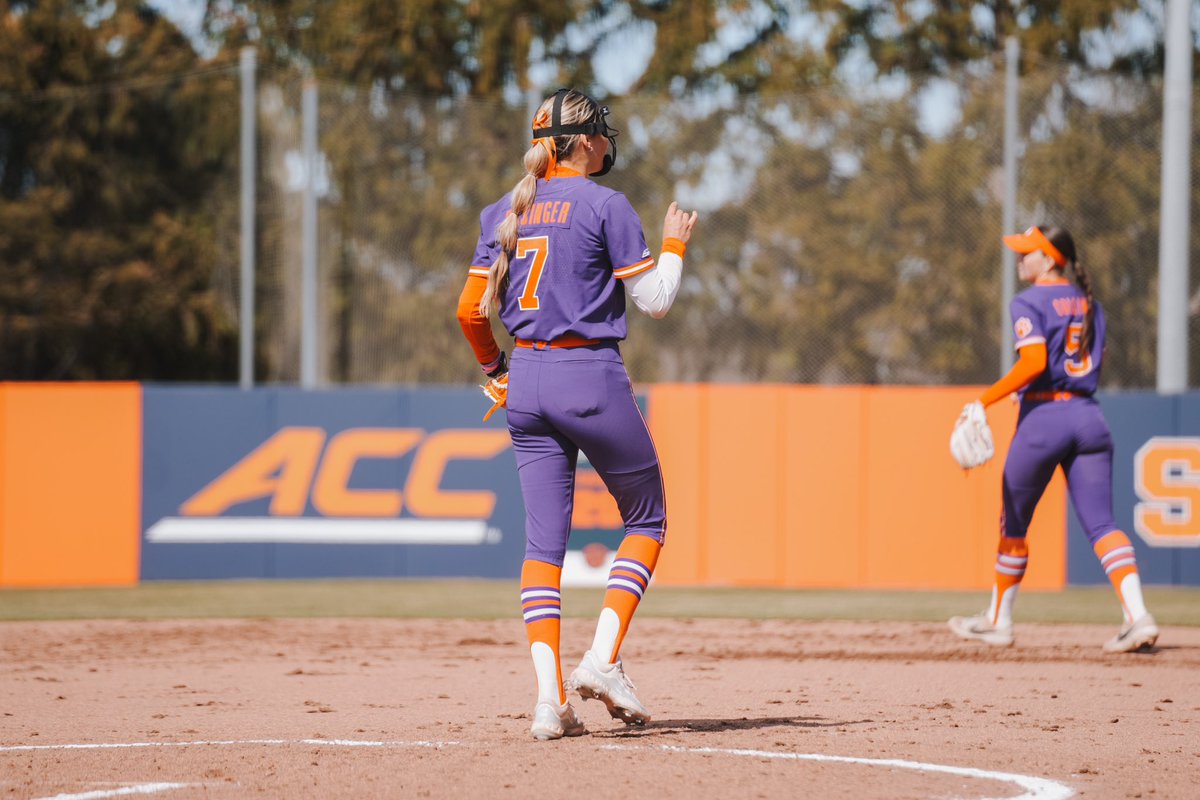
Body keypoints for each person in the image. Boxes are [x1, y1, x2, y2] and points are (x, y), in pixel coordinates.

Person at [455, 88, 698, 740]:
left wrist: (496, 373)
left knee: (542, 548)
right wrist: (674, 244)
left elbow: (470, 313)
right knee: (647, 518)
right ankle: (603, 660)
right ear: (586, 140)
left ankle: (548, 706)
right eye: (602, 134)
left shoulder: (504, 210)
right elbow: (657, 300)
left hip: (526, 381)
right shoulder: (604, 203)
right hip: (588, 373)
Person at [948, 225, 1158, 653]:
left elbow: (1033, 363)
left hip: (1044, 418)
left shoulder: (1027, 301)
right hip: (1088, 417)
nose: (1020, 260)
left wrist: (984, 400)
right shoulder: (1090, 303)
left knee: (1013, 523)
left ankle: (998, 621)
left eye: (1028, 253)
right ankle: (1138, 616)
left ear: (1049, 259)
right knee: (1102, 525)